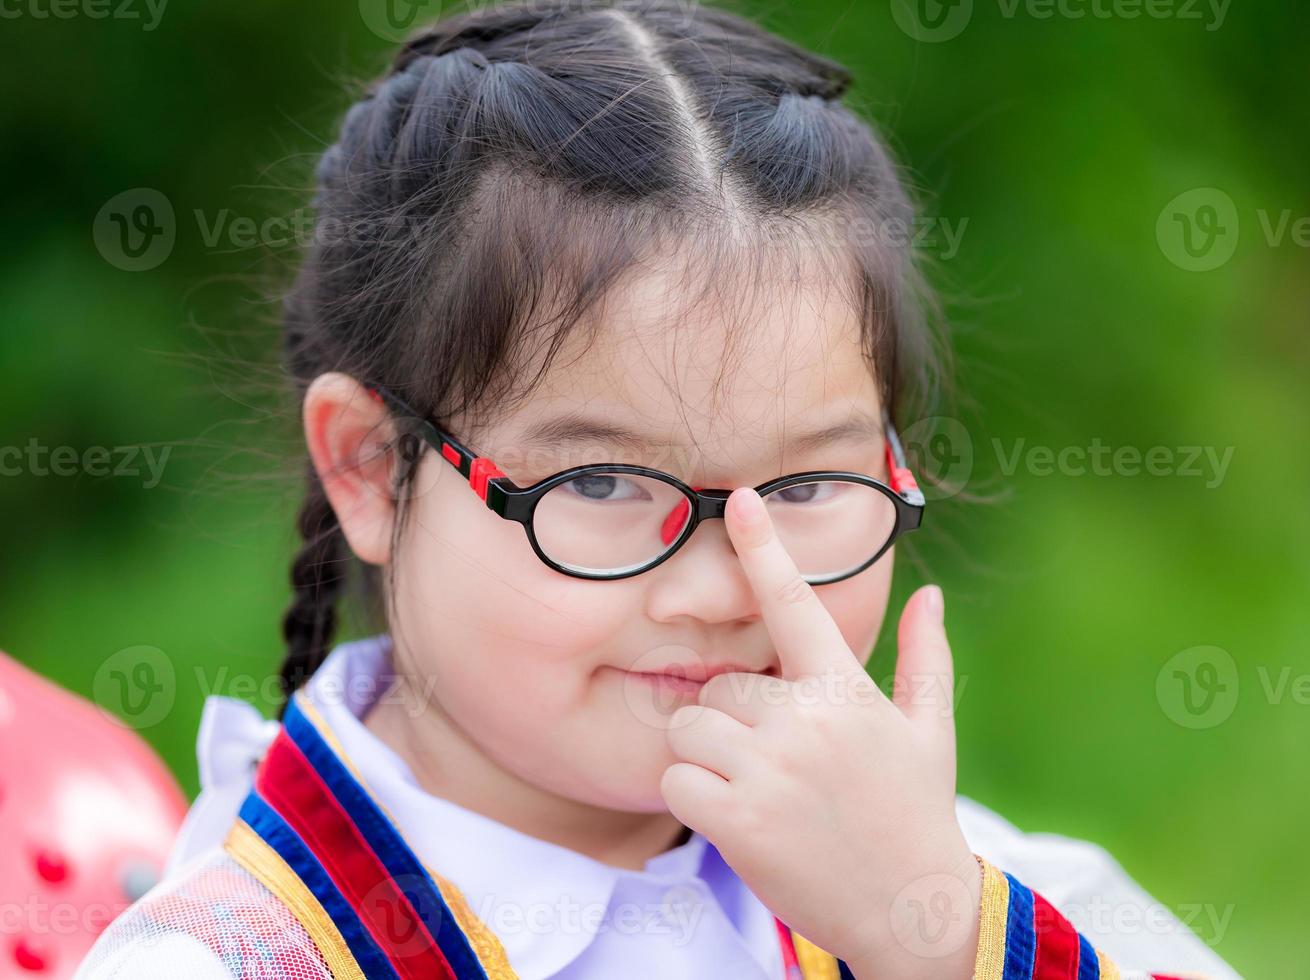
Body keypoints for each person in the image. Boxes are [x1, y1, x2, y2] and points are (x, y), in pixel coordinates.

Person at [76, 1, 1241, 977]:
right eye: (601, 479)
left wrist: (930, 930)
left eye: (805, 482)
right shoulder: (231, 956)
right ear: (373, 466)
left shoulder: (977, 894)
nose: (718, 585)